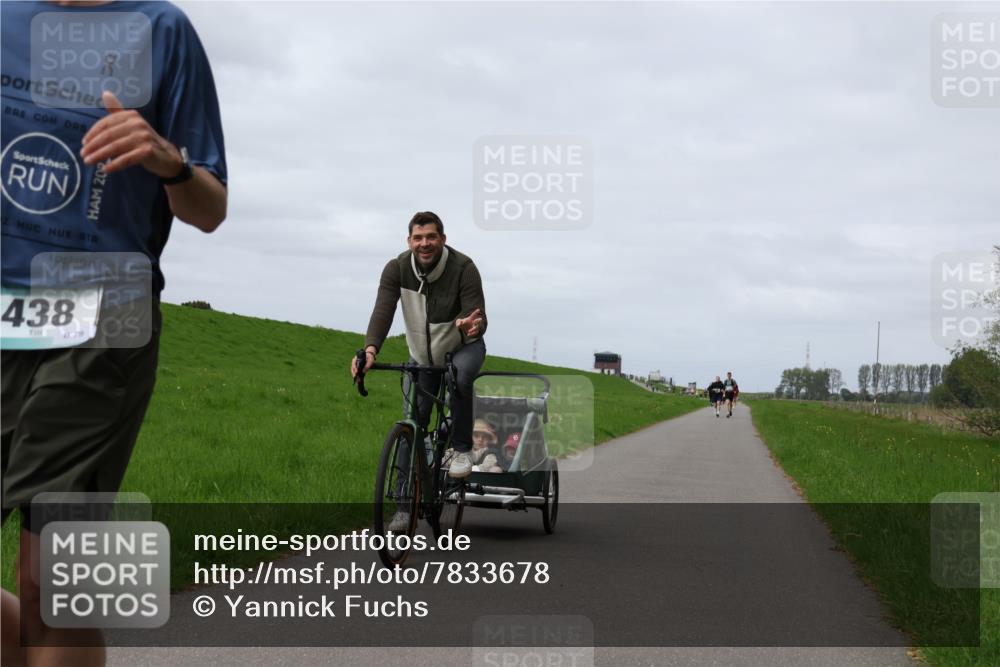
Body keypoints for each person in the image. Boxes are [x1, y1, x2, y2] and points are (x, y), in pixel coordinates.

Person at [1, 2, 227, 664]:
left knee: (50, 580)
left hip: (99, 323)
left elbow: (210, 208)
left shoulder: (163, 31)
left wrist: (171, 163)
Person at [352, 211, 487, 482]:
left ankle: (461, 449)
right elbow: (382, 311)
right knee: (412, 425)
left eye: (431, 237)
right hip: (422, 356)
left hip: (463, 348)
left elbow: (477, 315)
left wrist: (473, 326)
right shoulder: (397, 269)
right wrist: (369, 350)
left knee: (459, 376)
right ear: (409, 241)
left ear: (443, 239)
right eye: (418, 238)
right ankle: (404, 504)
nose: (424, 243)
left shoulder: (464, 267)